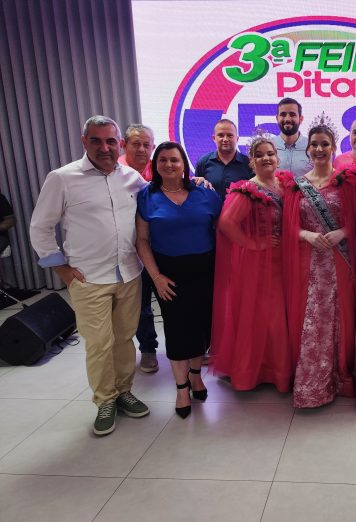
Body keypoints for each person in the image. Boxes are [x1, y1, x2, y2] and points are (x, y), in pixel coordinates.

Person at [30, 115, 150, 436]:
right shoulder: (62, 178)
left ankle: (123, 391)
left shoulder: (132, 177)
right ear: (85, 142)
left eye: (110, 141)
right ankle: (105, 399)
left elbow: (159, 200)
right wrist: (62, 270)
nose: (104, 147)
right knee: (99, 343)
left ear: (119, 144)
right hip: (88, 278)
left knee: (124, 338)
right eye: (96, 140)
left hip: (129, 274)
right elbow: (40, 227)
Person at [136, 142, 222, 418]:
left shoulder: (205, 193)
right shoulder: (146, 196)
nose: (169, 165)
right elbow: (142, 240)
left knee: (200, 329)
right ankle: (181, 388)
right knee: (176, 330)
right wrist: (156, 277)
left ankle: (196, 376)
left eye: (174, 160)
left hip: (205, 271)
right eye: (163, 160)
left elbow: (222, 228)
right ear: (155, 164)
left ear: (184, 164)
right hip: (168, 275)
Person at [282, 123, 356, 408]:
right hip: (308, 263)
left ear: (333, 147)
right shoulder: (296, 185)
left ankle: (339, 377)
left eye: (324, 144)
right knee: (312, 320)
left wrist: (343, 232)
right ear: (308, 148)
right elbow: (289, 226)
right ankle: (311, 381)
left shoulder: (348, 181)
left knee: (340, 318)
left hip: (340, 261)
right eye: (314, 144)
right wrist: (306, 234)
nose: (319, 149)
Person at [210, 137, 292, 392]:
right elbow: (226, 223)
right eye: (260, 155)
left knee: (281, 318)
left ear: (277, 157)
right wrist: (255, 243)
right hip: (260, 265)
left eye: (270, 153)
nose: (266, 158)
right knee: (267, 318)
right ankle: (258, 373)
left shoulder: (285, 184)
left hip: (285, 261)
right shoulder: (247, 190)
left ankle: (276, 369)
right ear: (252, 161)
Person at [118, 124, 159, 372]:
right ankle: (148, 349)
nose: (142, 149)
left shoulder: (161, 167)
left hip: (160, 248)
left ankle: (185, 347)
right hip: (129, 252)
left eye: (147, 144)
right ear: (124, 145)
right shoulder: (114, 172)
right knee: (141, 305)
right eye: (136, 144)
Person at [194, 118, 253, 199]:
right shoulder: (203, 162)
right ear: (214, 138)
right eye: (221, 135)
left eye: (230, 135)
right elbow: (197, 192)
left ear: (237, 138)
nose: (225, 139)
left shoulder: (249, 164)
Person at [272, 98, 312, 177]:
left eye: (292, 115)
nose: (287, 119)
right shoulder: (268, 147)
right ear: (277, 118)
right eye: (283, 115)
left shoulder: (312, 147)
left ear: (301, 119)